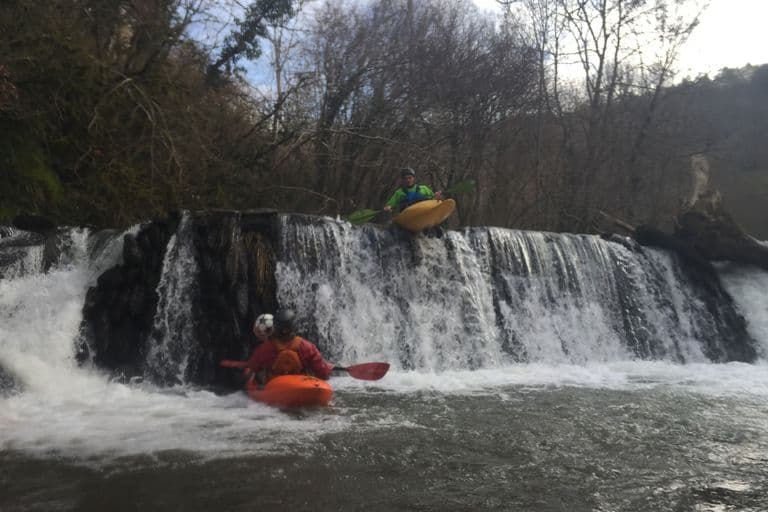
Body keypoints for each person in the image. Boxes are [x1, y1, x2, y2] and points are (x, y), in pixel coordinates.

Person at [243, 309, 333, 382]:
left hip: (275, 387)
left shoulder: (264, 349)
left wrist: (248, 372)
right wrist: (327, 368)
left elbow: (252, 368)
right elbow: (324, 374)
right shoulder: (308, 347)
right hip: (302, 385)